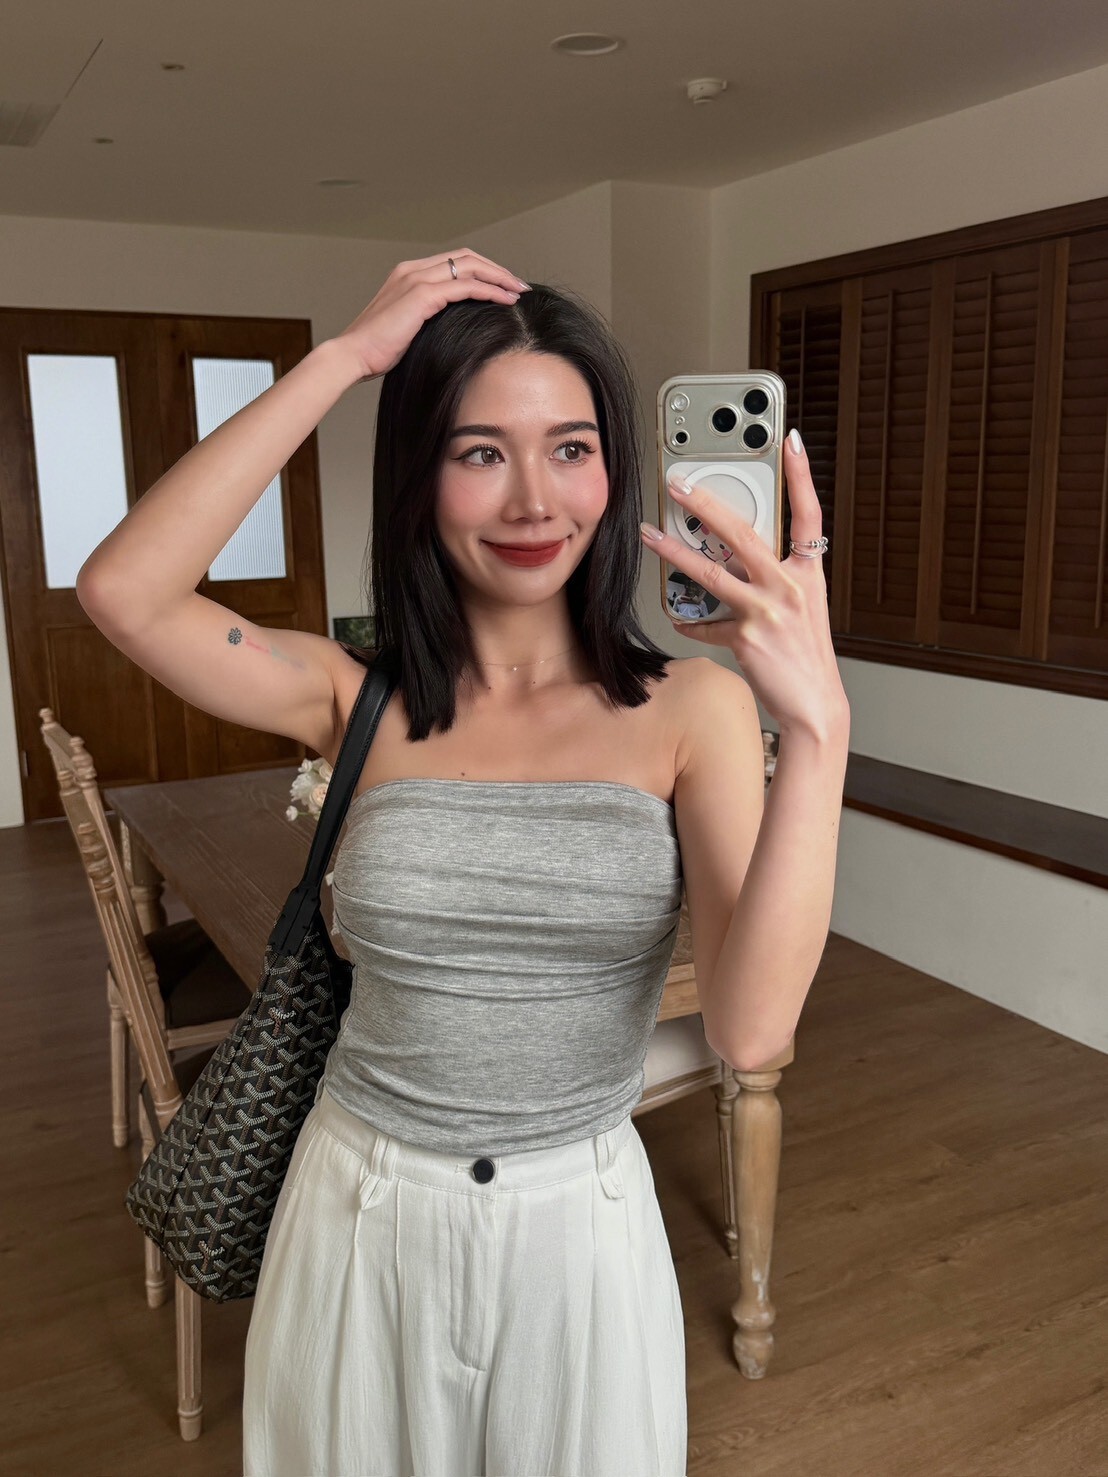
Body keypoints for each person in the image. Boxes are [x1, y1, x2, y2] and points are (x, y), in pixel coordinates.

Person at [77, 250, 850, 1476]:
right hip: (357, 1211)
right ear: (419, 476)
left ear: (614, 470)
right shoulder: (355, 699)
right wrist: (344, 359)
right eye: (479, 451)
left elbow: (750, 1032)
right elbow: (123, 590)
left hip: (579, 1230)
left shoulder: (691, 710)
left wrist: (816, 732)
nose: (533, 500)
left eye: (571, 448)